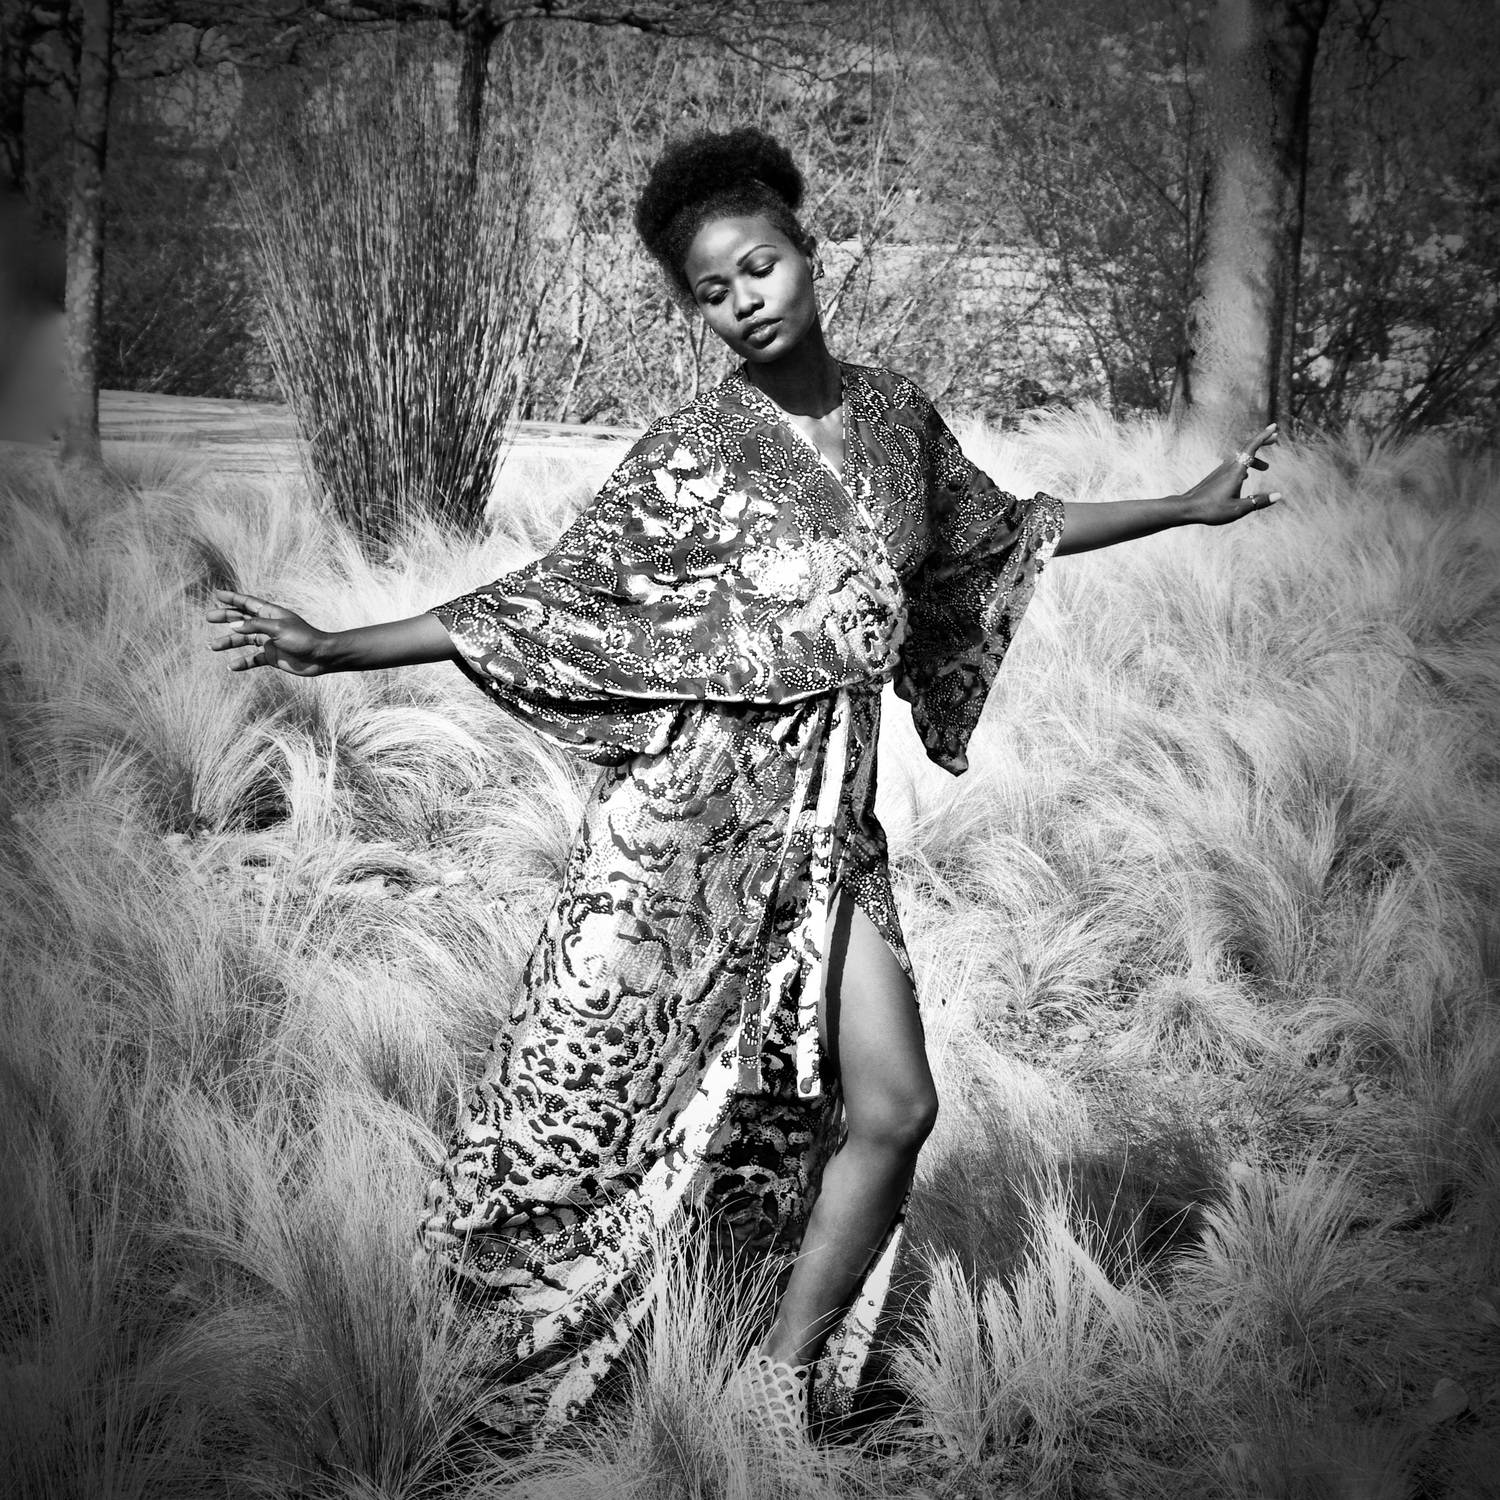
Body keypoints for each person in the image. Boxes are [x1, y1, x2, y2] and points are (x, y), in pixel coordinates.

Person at [206, 127, 1279, 1446]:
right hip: (689, 833)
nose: (744, 302)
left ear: (807, 254)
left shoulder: (895, 421)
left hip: (829, 832)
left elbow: (1008, 534)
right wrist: (336, 645)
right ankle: (469, 1355)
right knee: (587, 1108)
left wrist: (1186, 505)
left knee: (895, 1109)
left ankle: (773, 1389)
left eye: (759, 268)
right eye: (711, 293)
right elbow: (546, 601)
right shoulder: (695, 453)